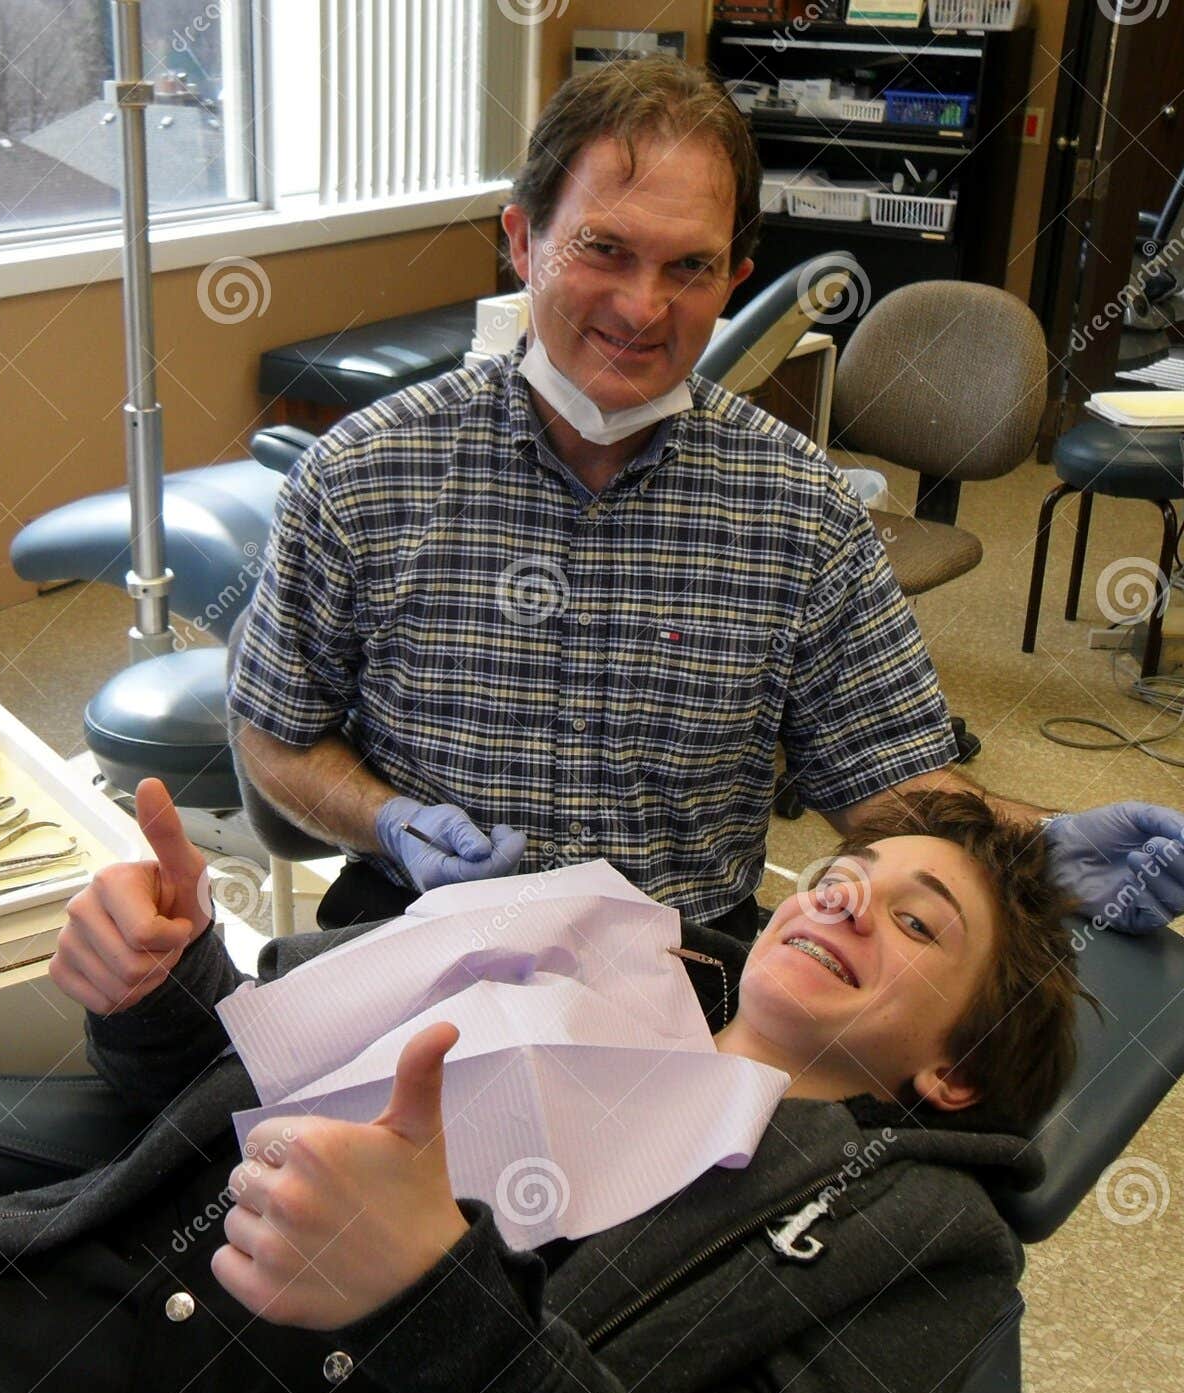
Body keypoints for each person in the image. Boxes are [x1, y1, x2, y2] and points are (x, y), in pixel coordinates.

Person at [0, 780, 1077, 1393]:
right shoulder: (588, 962)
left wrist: (432, 1298)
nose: (846, 902)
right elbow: (210, 1113)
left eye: (919, 924)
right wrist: (157, 987)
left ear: (953, 1069)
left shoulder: (906, 1232)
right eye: (843, 877)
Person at [226, 55, 1184, 940]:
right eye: (605, 248)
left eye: (689, 267)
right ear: (523, 241)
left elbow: (887, 777)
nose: (643, 308)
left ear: (733, 278)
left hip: (687, 960)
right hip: (415, 930)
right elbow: (275, 736)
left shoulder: (800, 510)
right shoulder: (363, 475)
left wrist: (1035, 844)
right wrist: (389, 821)